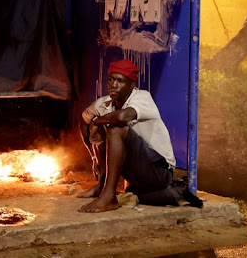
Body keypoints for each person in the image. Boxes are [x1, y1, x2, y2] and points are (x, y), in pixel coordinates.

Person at [77, 58, 200, 212]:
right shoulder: (104, 104)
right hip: (135, 172)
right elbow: (83, 119)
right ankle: (102, 187)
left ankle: (109, 197)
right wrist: (93, 157)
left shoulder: (142, 97)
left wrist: (97, 121)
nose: (114, 85)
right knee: (103, 131)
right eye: (111, 79)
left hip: (159, 172)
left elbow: (122, 117)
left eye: (120, 81)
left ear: (131, 85)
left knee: (115, 128)